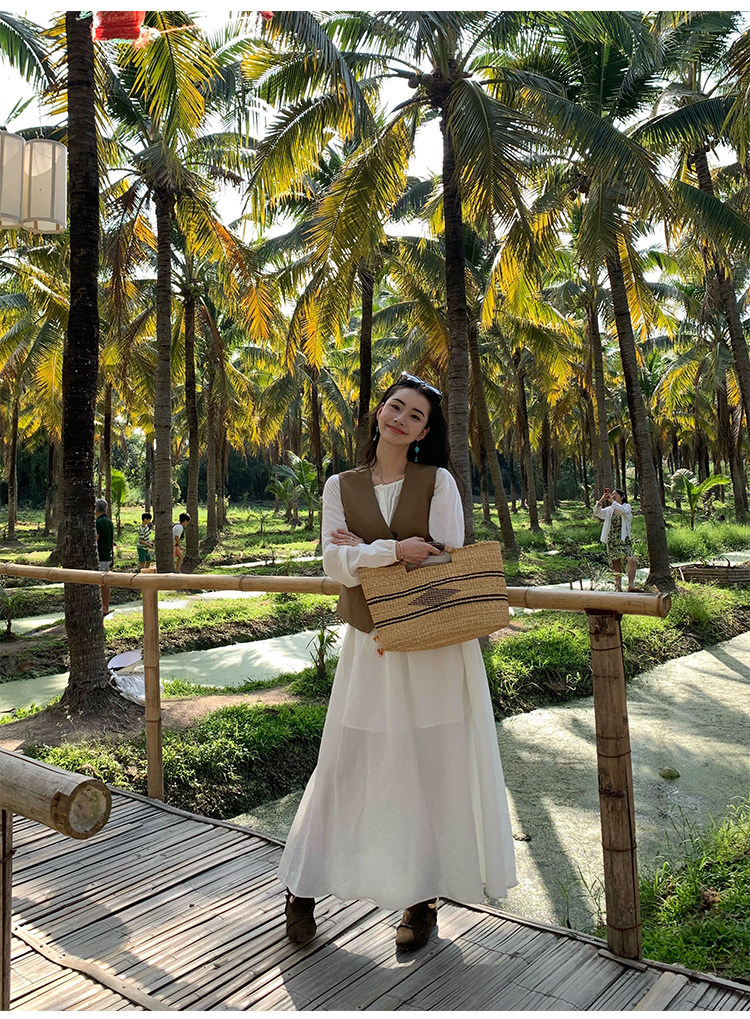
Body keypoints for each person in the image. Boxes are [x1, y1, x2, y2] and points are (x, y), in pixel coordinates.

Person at [277, 372, 517, 952]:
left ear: (424, 432)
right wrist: (393, 549)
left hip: (433, 645)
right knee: (344, 761)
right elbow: (333, 564)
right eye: (395, 407)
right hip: (371, 644)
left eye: (415, 416)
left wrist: (364, 552)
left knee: (433, 764)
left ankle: (422, 899)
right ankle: (303, 885)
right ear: (379, 412)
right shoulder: (340, 485)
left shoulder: (439, 482)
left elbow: (443, 553)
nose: (401, 419)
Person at [593, 488, 637, 592]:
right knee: (616, 563)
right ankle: (618, 587)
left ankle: (631, 585)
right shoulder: (609, 510)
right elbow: (597, 512)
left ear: (622, 496)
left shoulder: (626, 507)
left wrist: (612, 502)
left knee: (632, 560)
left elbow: (624, 512)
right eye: (611, 494)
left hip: (623, 539)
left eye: (615, 494)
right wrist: (601, 500)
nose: (613, 495)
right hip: (612, 539)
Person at [95, 498, 115, 616]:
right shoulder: (109, 521)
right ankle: (106, 606)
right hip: (108, 556)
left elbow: (95, 540)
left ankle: (102, 607)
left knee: (98, 582)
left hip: (100, 557)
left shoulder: (98, 523)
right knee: (105, 583)